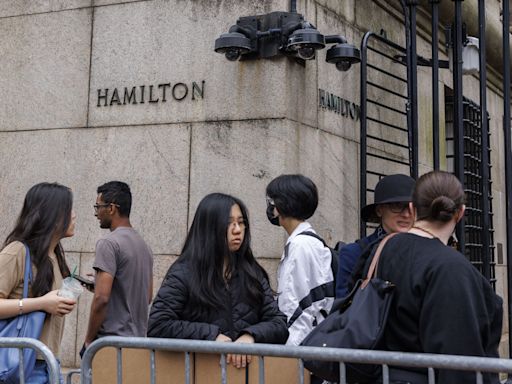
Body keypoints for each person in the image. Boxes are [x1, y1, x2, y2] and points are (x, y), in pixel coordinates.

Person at [376, 170, 502, 383]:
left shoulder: (381, 250)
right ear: (460, 213)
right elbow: (459, 363)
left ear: (412, 208)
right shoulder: (452, 269)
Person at [147, 193, 288, 368]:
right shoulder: (184, 273)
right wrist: (211, 336)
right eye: (229, 223)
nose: (237, 229)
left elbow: (278, 323)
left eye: (241, 222)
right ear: (209, 227)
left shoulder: (252, 272)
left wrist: (250, 336)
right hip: (201, 373)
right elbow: (159, 324)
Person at [0, 182, 77, 382]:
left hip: (49, 363)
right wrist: (42, 303)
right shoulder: (17, 251)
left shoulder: (55, 257)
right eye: (69, 209)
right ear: (51, 214)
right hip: (20, 365)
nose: (74, 215)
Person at [83, 181, 153, 352]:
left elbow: (101, 299)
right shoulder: (144, 246)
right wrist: (102, 283)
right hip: (138, 345)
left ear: (112, 208)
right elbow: (148, 296)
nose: (96, 213)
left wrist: (89, 341)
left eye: (98, 207)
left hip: (111, 345)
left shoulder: (108, 243)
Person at [265, 174, 334, 347]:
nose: (270, 207)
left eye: (272, 201)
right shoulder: (309, 241)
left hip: (302, 348)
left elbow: (294, 306)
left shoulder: (300, 245)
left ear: (281, 205)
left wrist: (288, 356)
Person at [336, 173, 415, 298]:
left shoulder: (424, 251)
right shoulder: (354, 253)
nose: (406, 214)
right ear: (379, 210)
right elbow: (344, 308)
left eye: (412, 207)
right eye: (397, 206)